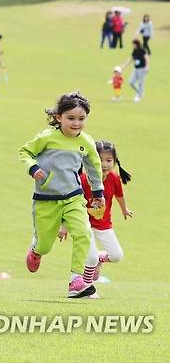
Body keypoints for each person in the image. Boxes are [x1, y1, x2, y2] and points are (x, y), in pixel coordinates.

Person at [19, 92, 105, 298]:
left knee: (84, 233)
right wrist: (33, 168)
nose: (76, 123)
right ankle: (36, 250)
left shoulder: (86, 142)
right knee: (45, 245)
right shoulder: (47, 137)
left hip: (74, 197)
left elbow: (94, 167)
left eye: (81, 119)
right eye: (71, 118)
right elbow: (25, 152)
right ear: (59, 117)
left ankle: (76, 280)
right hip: (46, 200)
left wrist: (97, 193)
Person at [58, 140, 133, 284]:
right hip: (84, 225)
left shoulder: (114, 179)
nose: (104, 164)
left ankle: (99, 259)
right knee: (90, 258)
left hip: (104, 225)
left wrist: (125, 210)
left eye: (109, 160)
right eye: (100, 160)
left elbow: (119, 195)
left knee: (116, 256)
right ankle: (86, 286)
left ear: (115, 161)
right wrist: (64, 226)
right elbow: (72, 203)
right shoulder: (84, 180)